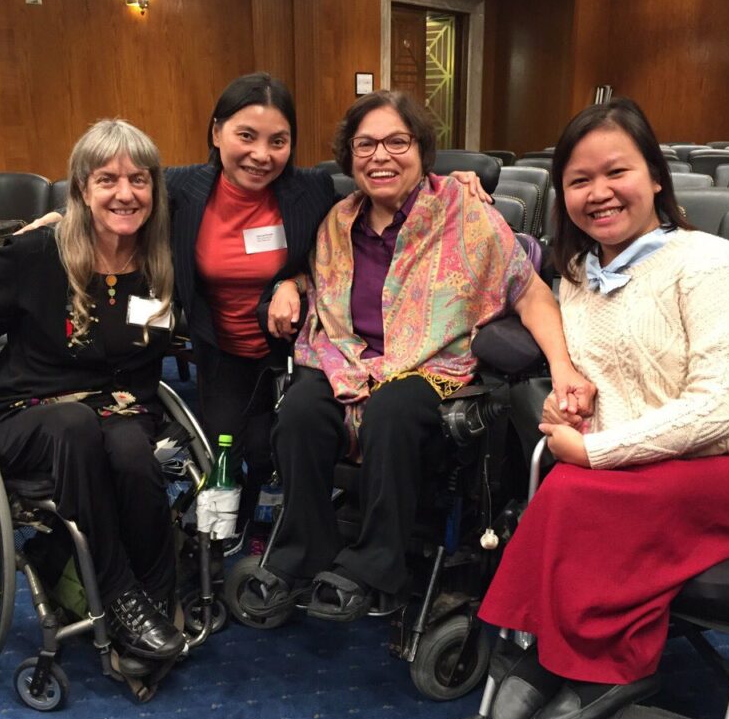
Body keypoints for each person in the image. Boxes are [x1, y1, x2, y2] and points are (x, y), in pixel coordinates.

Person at [25, 73, 493, 556]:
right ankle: (243, 529)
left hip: (294, 345)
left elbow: (379, 197)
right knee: (226, 449)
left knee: (280, 443)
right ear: (216, 134)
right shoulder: (183, 189)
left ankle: (298, 532)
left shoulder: (310, 190)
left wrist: (455, 181)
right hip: (220, 346)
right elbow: (123, 201)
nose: (261, 154)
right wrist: (62, 219)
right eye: (245, 136)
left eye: (278, 141)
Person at [476, 97, 729, 719]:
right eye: (579, 181)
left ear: (656, 178)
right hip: (633, 465)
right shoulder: (579, 277)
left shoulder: (713, 265)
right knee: (565, 486)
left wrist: (597, 450)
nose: (599, 193)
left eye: (616, 172)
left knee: (572, 491)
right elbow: (606, 377)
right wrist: (576, 398)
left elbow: (719, 409)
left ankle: (611, 667)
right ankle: (554, 654)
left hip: (725, 468)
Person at [239, 89, 594, 623]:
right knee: (300, 412)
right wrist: (291, 282)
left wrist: (563, 368)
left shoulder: (465, 215)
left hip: (432, 365)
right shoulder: (338, 221)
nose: (380, 156)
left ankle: (376, 566)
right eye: (366, 145)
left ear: (422, 149)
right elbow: (321, 276)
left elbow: (528, 291)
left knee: (392, 409)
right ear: (350, 155)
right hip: (347, 358)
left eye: (396, 142)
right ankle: (301, 552)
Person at [0, 119, 187, 667]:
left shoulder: (159, 258)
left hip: (118, 408)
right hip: (27, 414)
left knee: (135, 454)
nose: (125, 193)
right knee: (75, 426)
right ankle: (118, 595)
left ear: (155, 189)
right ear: (82, 187)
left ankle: (157, 594)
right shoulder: (38, 253)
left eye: (139, 179)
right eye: (107, 179)